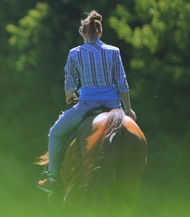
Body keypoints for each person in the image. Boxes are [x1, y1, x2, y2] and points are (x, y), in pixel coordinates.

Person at [38, 10, 136, 193]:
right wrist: (128, 110)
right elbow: (122, 82)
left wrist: (69, 94)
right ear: (100, 32)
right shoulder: (114, 51)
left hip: (87, 106)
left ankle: (53, 178)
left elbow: (70, 79)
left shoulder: (75, 53)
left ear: (82, 33)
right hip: (113, 105)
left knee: (55, 133)